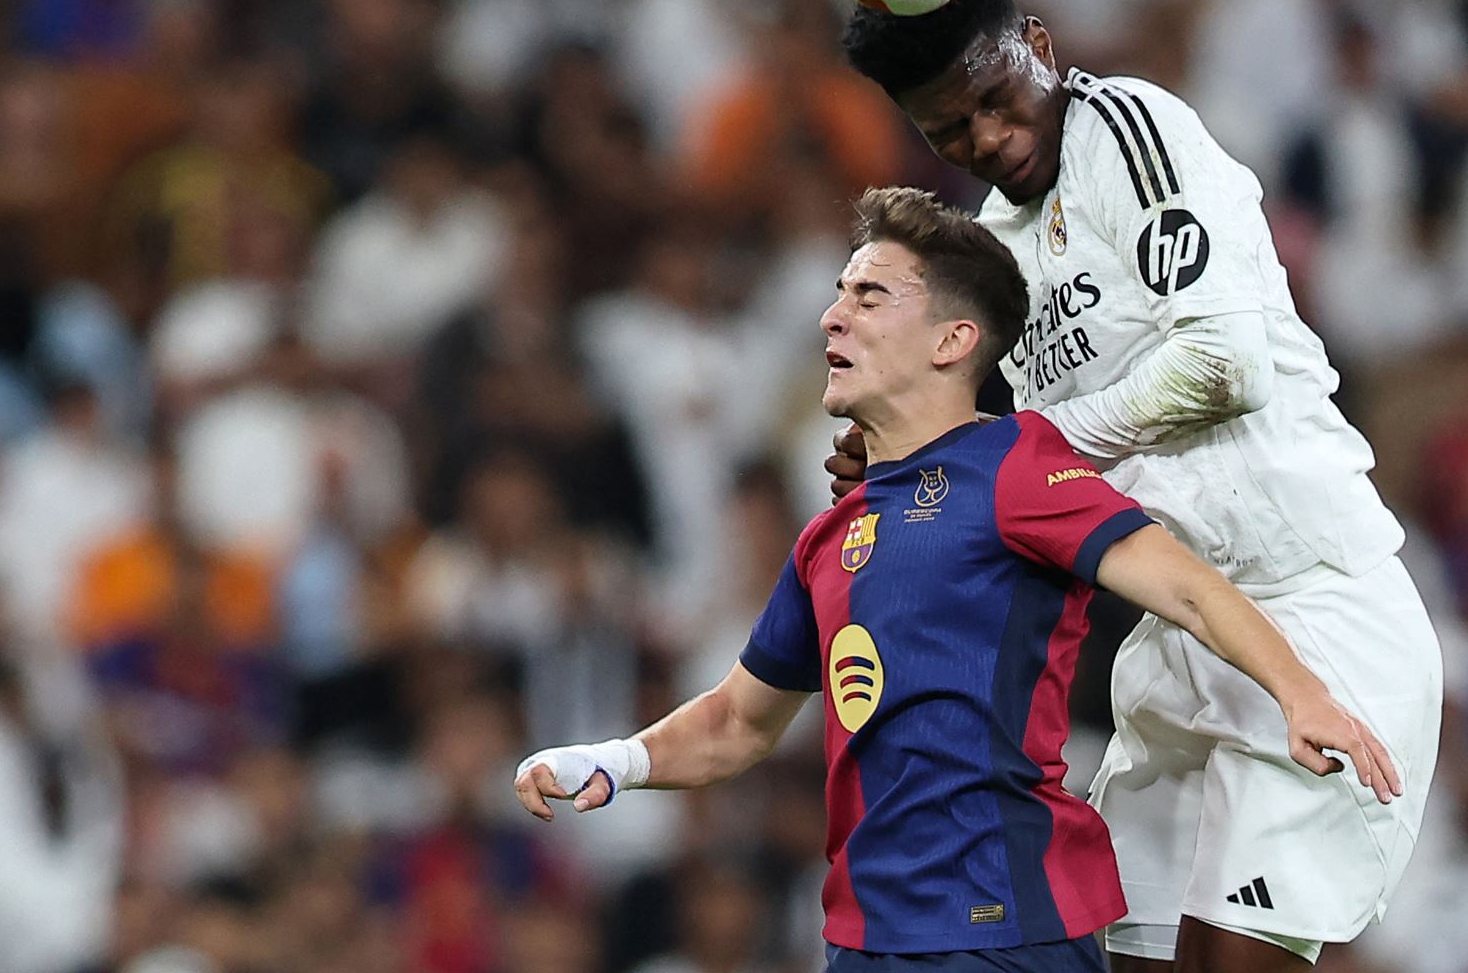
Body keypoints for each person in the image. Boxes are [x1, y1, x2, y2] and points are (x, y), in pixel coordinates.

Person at [516, 188, 1401, 973]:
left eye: (868, 294)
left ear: (953, 338)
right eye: (836, 293)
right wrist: (616, 760)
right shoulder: (830, 536)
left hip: (999, 923)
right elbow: (737, 723)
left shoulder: (1014, 466)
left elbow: (1189, 588)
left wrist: (1300, 694)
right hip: (864, 939)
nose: (832, 318)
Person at [826, 0, 1444, 972]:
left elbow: (1224, 363)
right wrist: (900, 456)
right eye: (951, 131)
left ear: (1039, 45)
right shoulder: (993, 256)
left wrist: (1019, 449)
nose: (988, 137)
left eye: (995, 98)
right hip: (1179, 640)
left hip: (1315, 606)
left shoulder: (1127, 132)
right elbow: (1014, 473)